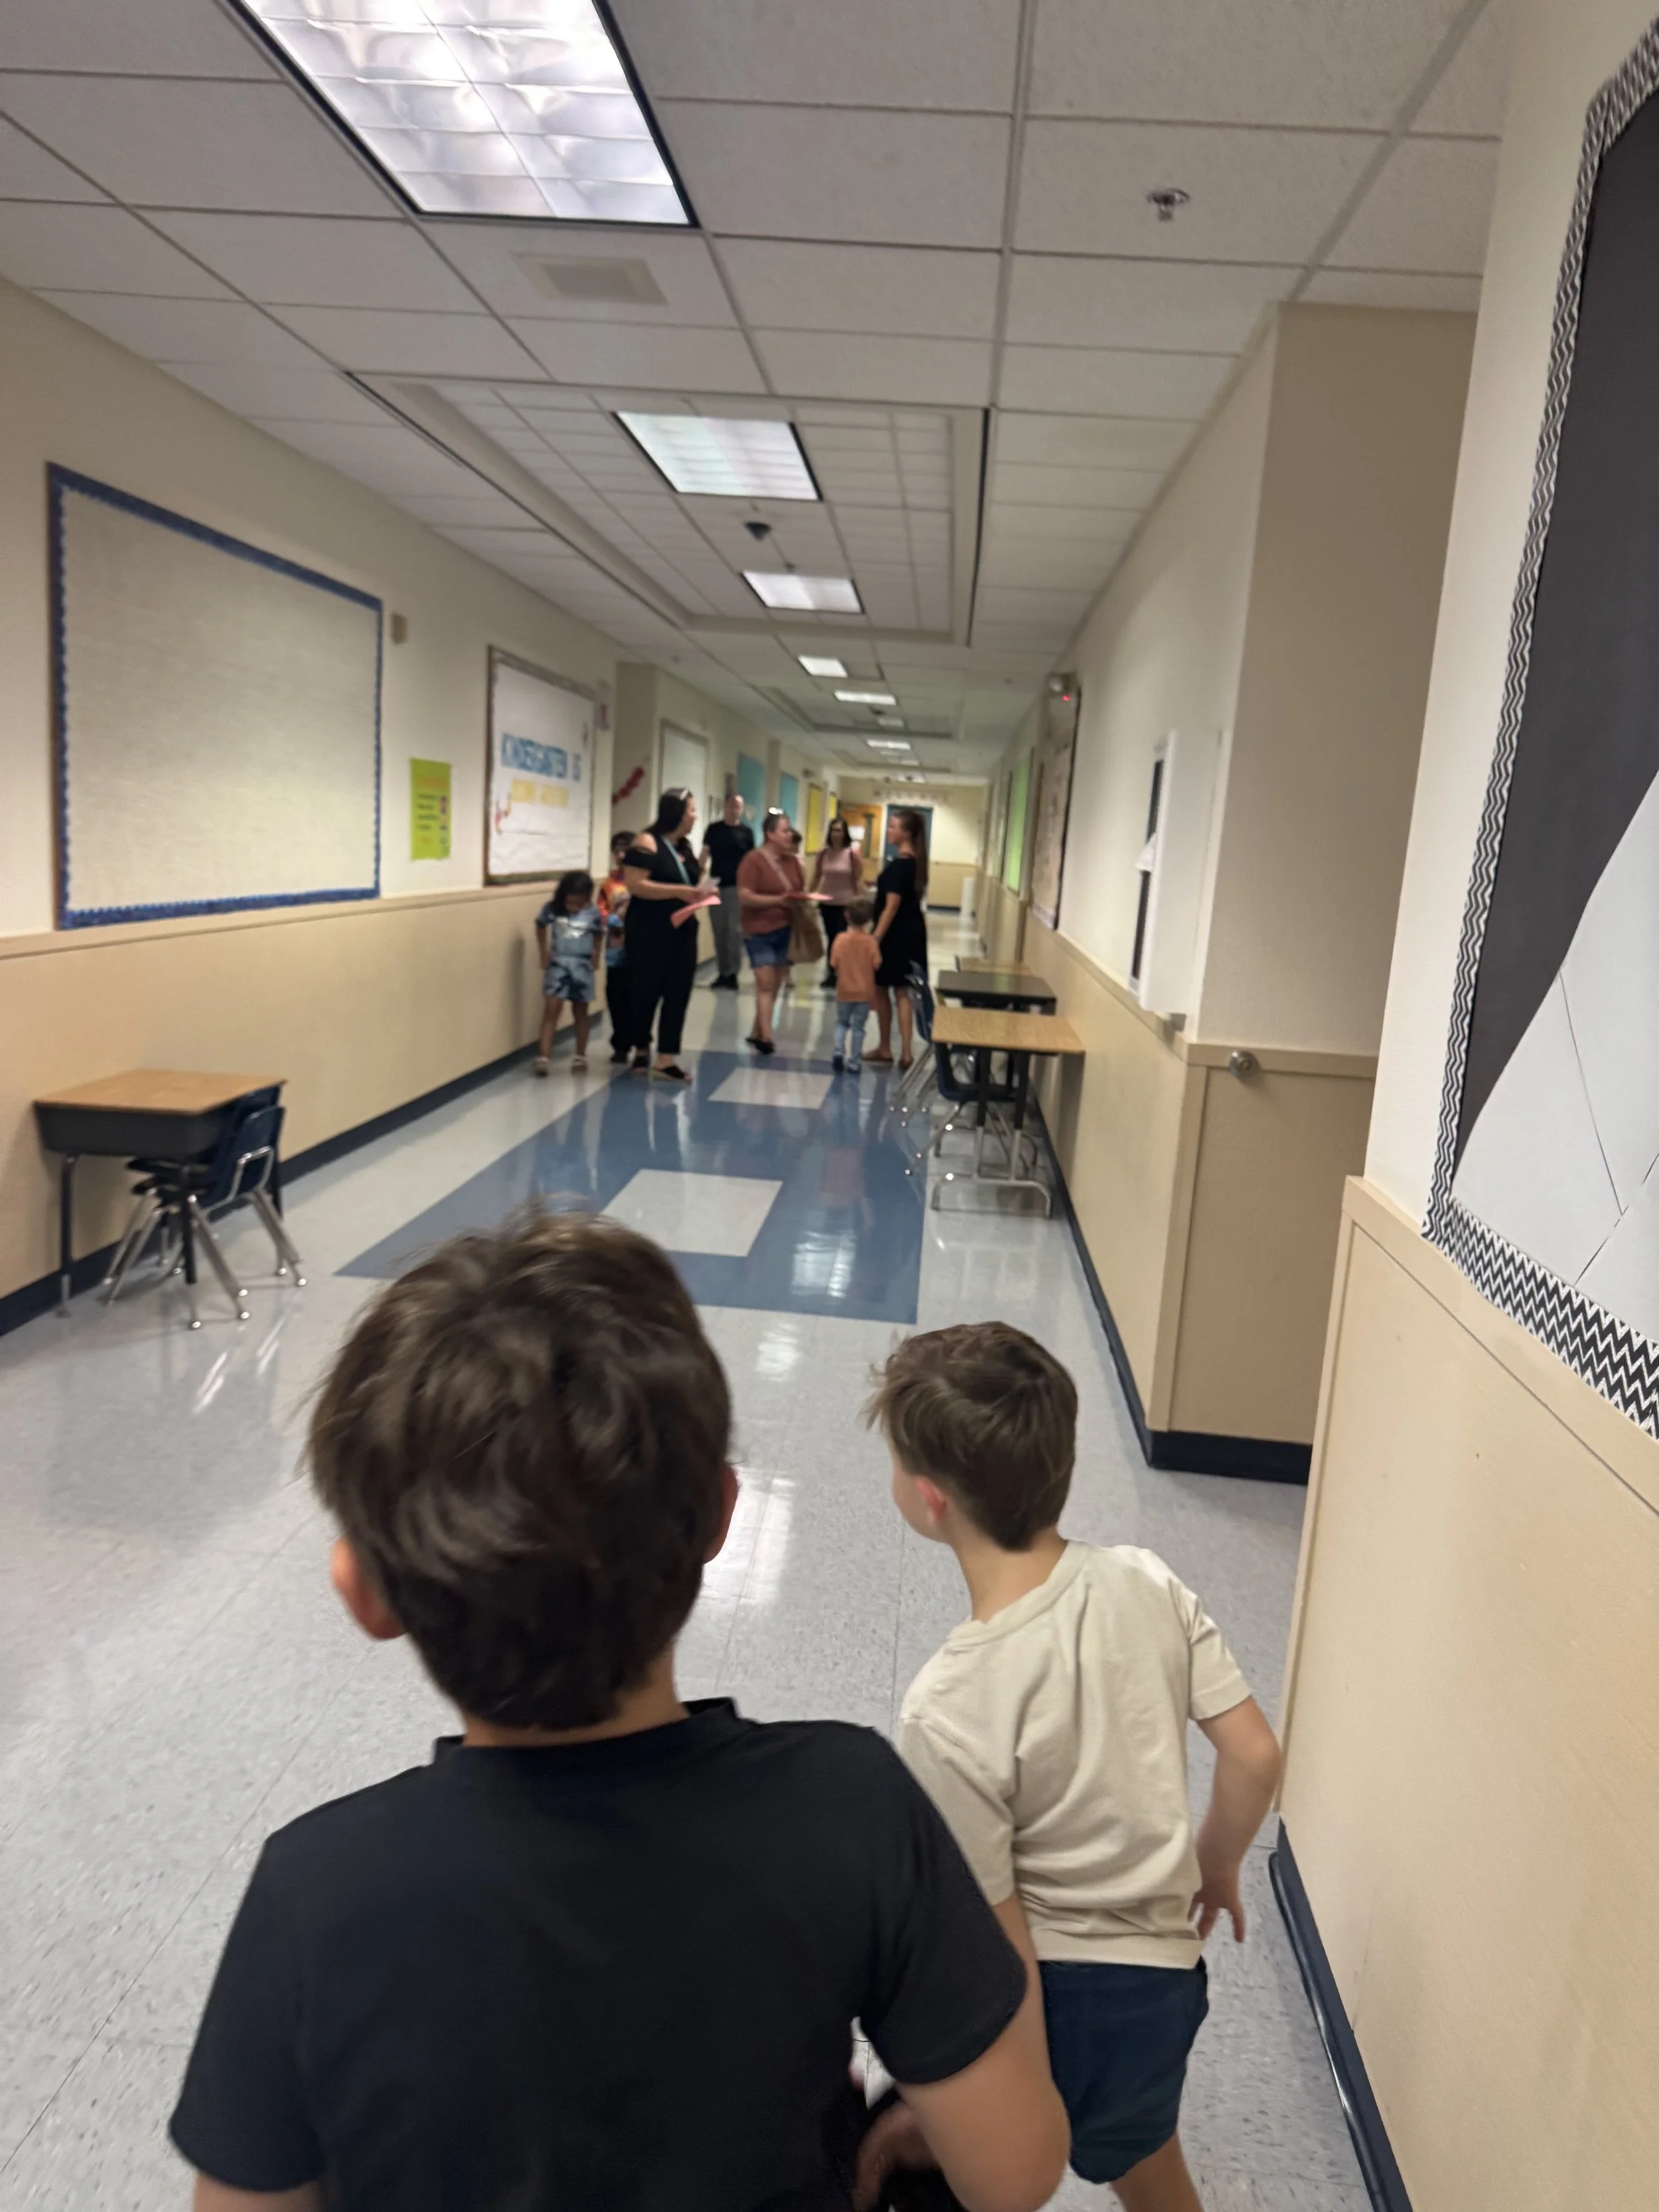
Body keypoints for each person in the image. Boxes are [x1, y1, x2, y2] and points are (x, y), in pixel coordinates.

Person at [168, 1214, 1070, 2212]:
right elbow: (1016, 2172)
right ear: (721, 1517)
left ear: (364, 1593)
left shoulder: (315, 1890)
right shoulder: (854, 1806)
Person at [868, 1323, 1284, 2212]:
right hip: (1164, 1982)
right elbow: (1254, 1754)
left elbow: (998, 1938)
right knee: (1151, 2163)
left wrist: (966, 2104)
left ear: (929, 1498)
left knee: (979, 2177)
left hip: (1054, 1991)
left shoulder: (946, 1705)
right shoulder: (1146, 1579)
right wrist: (1214, 1864)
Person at [622, 788, 705, 1084]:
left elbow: (692, 880)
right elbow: (636, 884)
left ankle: (666, 1057)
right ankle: (641, 1045)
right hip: (650, 930)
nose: (695, 816)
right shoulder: (646, 842)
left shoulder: (684, 847)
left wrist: (701, 892)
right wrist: (679, 892)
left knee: (678, 993)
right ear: (678, 813)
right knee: (646, 990)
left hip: (682, 930)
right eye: (692, 810)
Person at [736, 808, 805, 1058]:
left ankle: (757, 1030)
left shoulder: (792, 861)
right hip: (759, 930)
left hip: (785, 928)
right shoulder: (753, 860)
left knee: (774, 984)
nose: (790, 835)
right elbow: (745, 895)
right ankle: (766, 1036)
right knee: (764, 983)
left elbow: (798, 887)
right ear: (770, 834)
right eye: (785, 831)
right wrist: (777, 901)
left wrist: (797, 900)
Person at [869, 810, 930, 1072]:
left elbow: (891, 907)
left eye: (893, 826)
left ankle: (885, 1047)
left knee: (883, 989)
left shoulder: (899, 866)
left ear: (905, 833)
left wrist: (875, 938)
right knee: (903, 991)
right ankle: (906, 1052)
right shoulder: (916, 863)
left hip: (894, 935)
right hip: (913, 932)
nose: (889, 830)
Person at [533, 869, 603, 1076]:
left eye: (578, 904)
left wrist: (596, 956)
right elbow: (540, 925)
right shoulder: (552, 909)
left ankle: (580, 1056)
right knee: (551, 1010)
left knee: (581, 1012)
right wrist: (543, 952)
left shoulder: (593, 913)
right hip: (558, 964)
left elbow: (599, 935)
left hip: (582, 967)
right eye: (570, 903)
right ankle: (543, 1057)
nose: (573, 908)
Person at [699, 792, 755, 992]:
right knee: (719, 931)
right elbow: (704, 855)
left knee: (734, 931)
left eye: (738, 806)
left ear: (741, 809)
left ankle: (733, 973)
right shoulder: (714, 830)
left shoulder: (746, 833)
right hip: (715, 886)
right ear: (725, 807)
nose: (734, 809)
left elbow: (751, 862)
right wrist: (697, 880)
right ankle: (722, 972)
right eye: (731, 805)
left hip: (737, 887)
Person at [829, 895, 879, 1076]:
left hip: (844, 991)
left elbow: (834, 963)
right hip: (864, 993)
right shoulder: (871, 942)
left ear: (847, 916)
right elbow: (877, 964)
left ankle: (838, 1052)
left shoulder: (841, 939)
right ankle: (855, 1062)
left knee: (842, 1023)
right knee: (858, 1028)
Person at [812, 816, 863, 990]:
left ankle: (840, 973)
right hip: (826, 902)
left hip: (845, 903)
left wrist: (860, 904)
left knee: (841, 938)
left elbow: (857, 879)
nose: (836, 834)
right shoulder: (823, 854)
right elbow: (817, 877)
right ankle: (831, 973)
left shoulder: (852, 854)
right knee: (831, 938)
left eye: (840, 830)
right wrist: (809, 896)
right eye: (834, 830)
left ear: (845, 833)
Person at [597, 831, 634, 1066]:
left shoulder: (646, 881)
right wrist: (612, 920)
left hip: (641, 948)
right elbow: (601, 911)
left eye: (626, 850)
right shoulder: (608, 885)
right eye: (617, 850)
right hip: (615, 950)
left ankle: (640, 1042)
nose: (621, 855)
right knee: (616, 996)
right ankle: (620, 1043)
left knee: (639, 997)